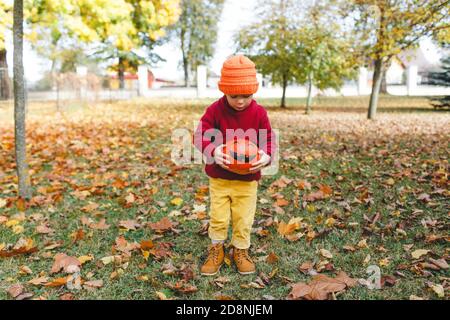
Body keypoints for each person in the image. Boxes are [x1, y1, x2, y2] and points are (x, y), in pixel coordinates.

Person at [193, 55, 276, 275]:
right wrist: (212, 150)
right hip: (219, 179)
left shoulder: (259, 113)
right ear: (224, 91)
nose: (240, 101)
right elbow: (200, 134)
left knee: (243, 218)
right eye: (234, 96)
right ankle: (216, 249)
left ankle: (240, 250)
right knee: (218, 217)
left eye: (246, 95)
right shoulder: (215, 110)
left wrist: (267, 155)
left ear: (253, 92)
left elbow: (268, 139)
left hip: (247, 181)